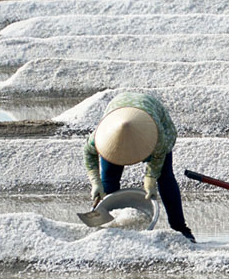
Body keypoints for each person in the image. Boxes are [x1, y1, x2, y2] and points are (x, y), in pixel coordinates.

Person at [84, 91, 195, 242]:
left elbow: (158, 158)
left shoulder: (158, 137)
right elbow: (88, 153)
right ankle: (105, 230)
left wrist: (150, 180)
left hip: (152, 118)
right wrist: (96, 182)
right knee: (108, 181)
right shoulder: (102, 136)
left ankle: (180, 228)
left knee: (165, 177)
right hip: (119, 114)